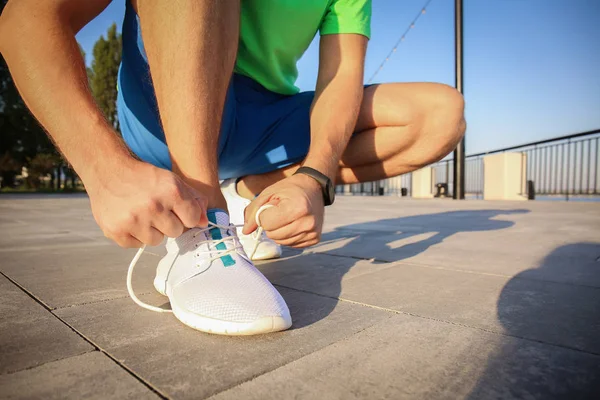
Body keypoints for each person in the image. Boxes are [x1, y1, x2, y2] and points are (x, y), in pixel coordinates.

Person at [0, 0, 465, 335]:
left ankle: (244, 195)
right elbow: (24, 19)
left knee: (439, 115)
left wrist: (313, 177)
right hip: (162, 106)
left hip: (260, 118)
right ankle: (205, 222)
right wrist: (105, 169)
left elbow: (342, 80)